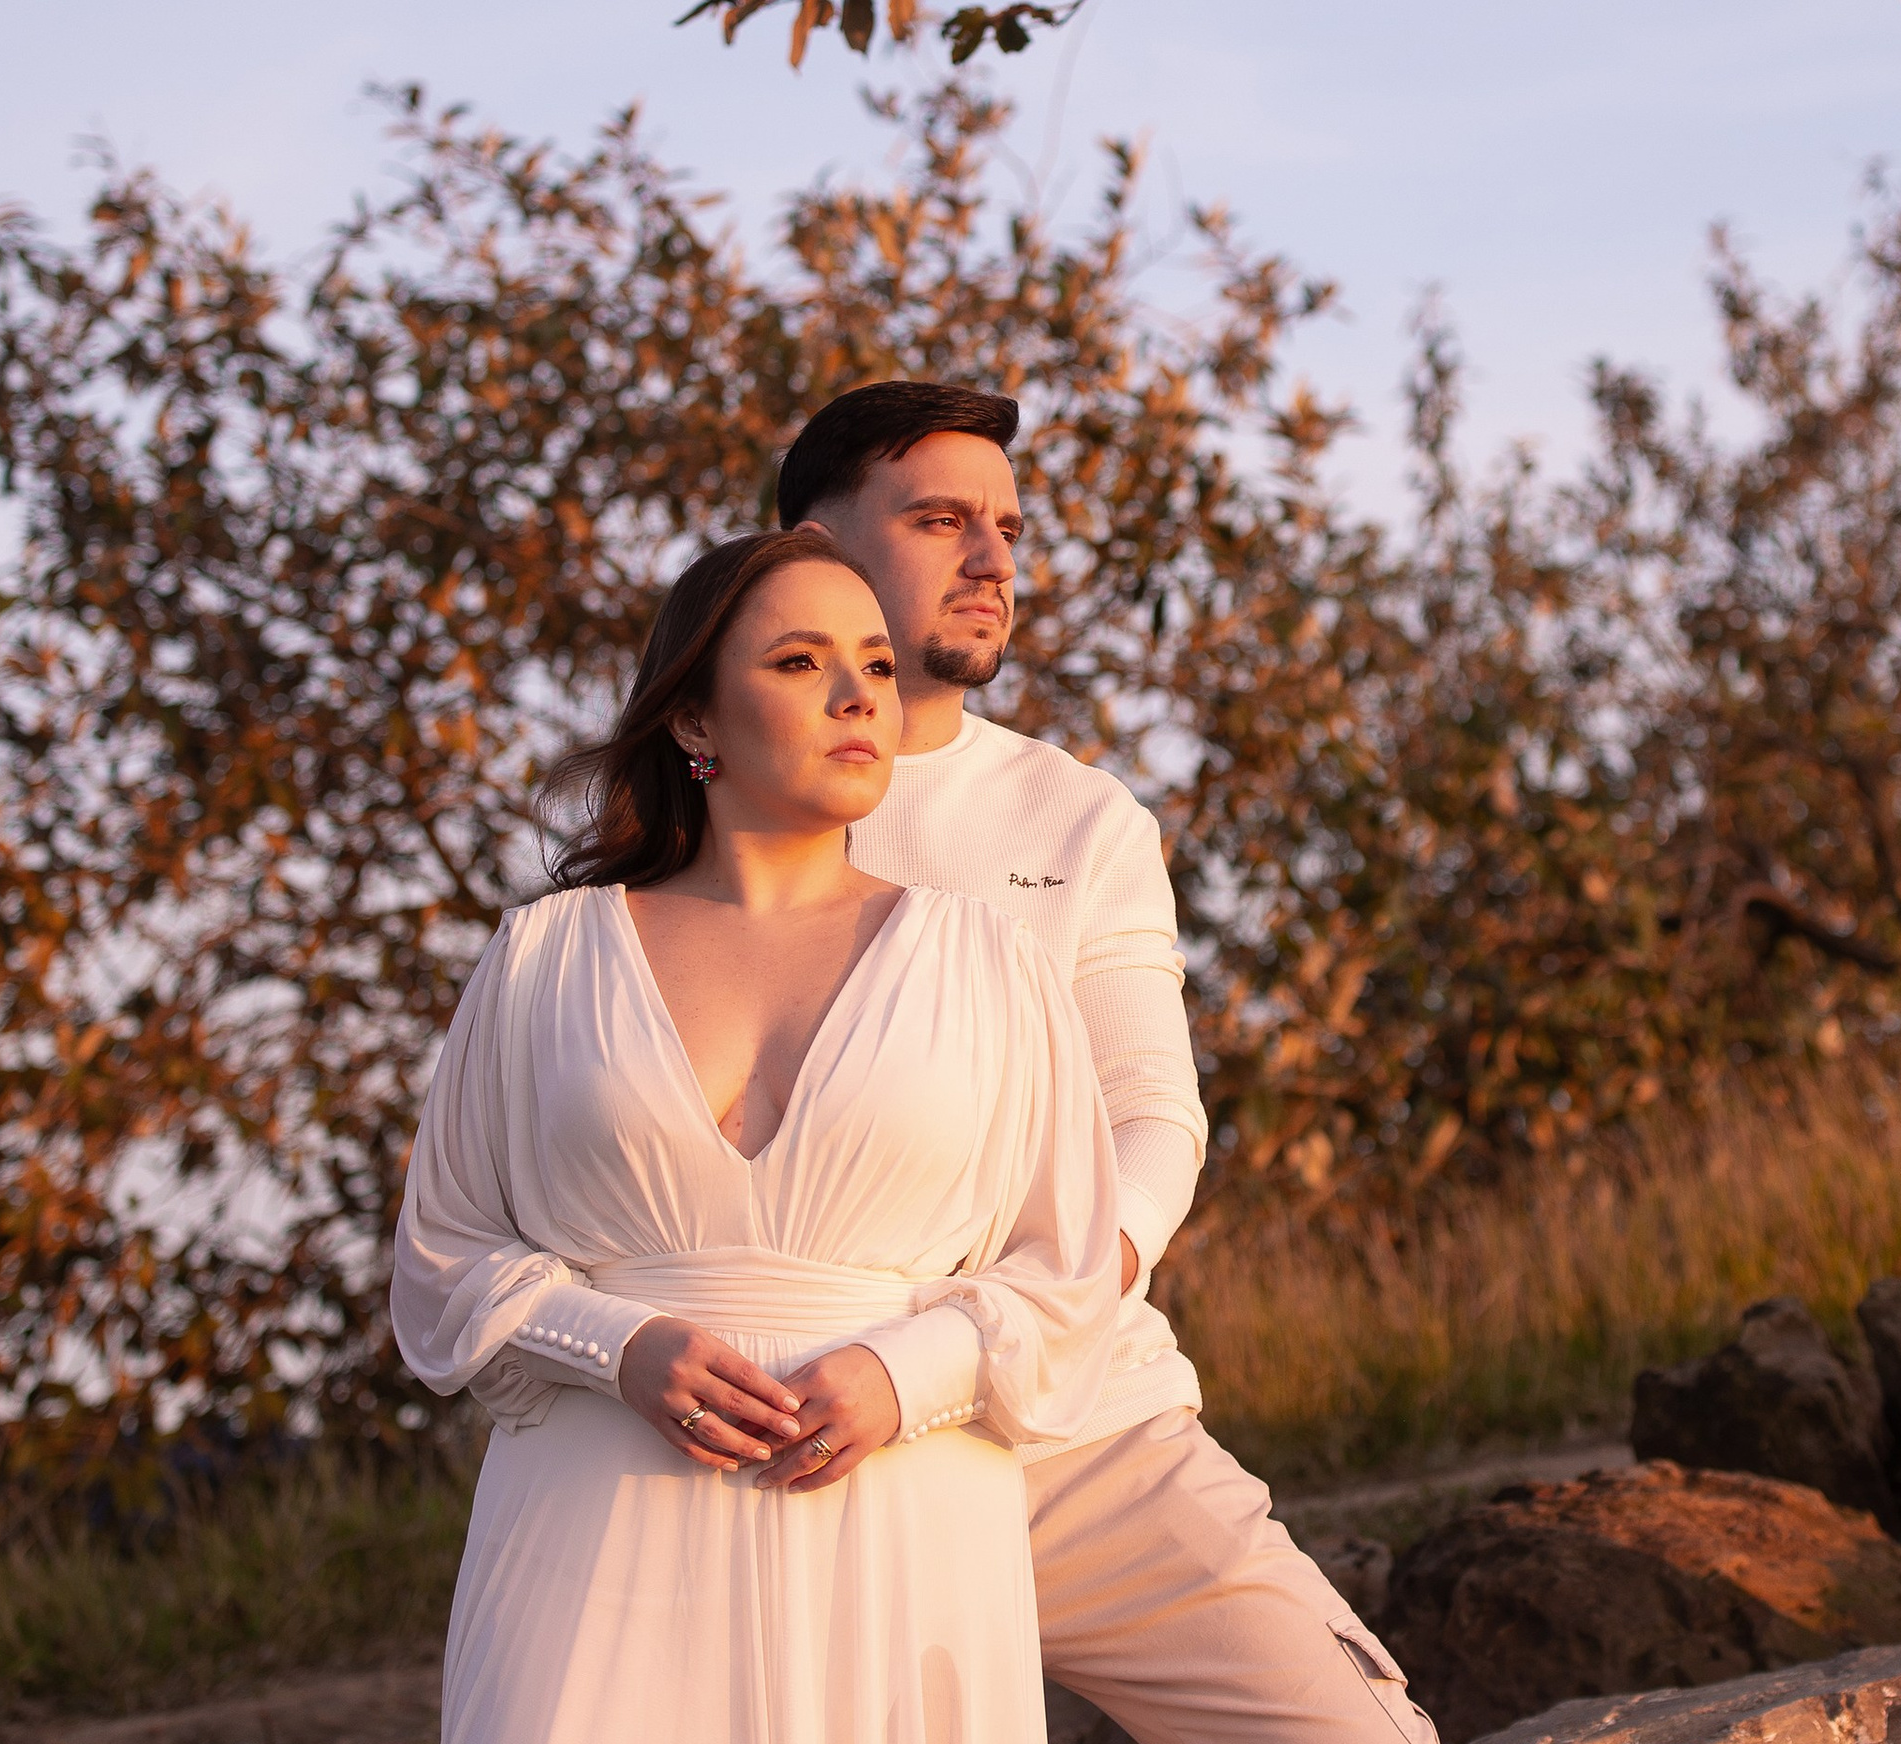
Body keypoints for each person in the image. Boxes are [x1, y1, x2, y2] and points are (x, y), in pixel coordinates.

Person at [781, 383, 1438, 1744]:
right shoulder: (674, 825)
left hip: (1070, 1420)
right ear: (812, 551)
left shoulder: (1074, 818)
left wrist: (1033, 1307)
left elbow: (1152, 1118)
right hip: (799, 1430)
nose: (994, 560)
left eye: (1009, 526)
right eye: (940, 520)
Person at [389, 527, 1121, 1744]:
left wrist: (908, 1374)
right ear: (694, 723)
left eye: (879, 667)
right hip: (593, 1531)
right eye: (798, 661)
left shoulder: (992, 964)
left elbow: (1071, 1272)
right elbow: (444, 1254)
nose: (857, 698)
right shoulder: (546, 956)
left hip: (903, 1524)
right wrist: (612, 1341)